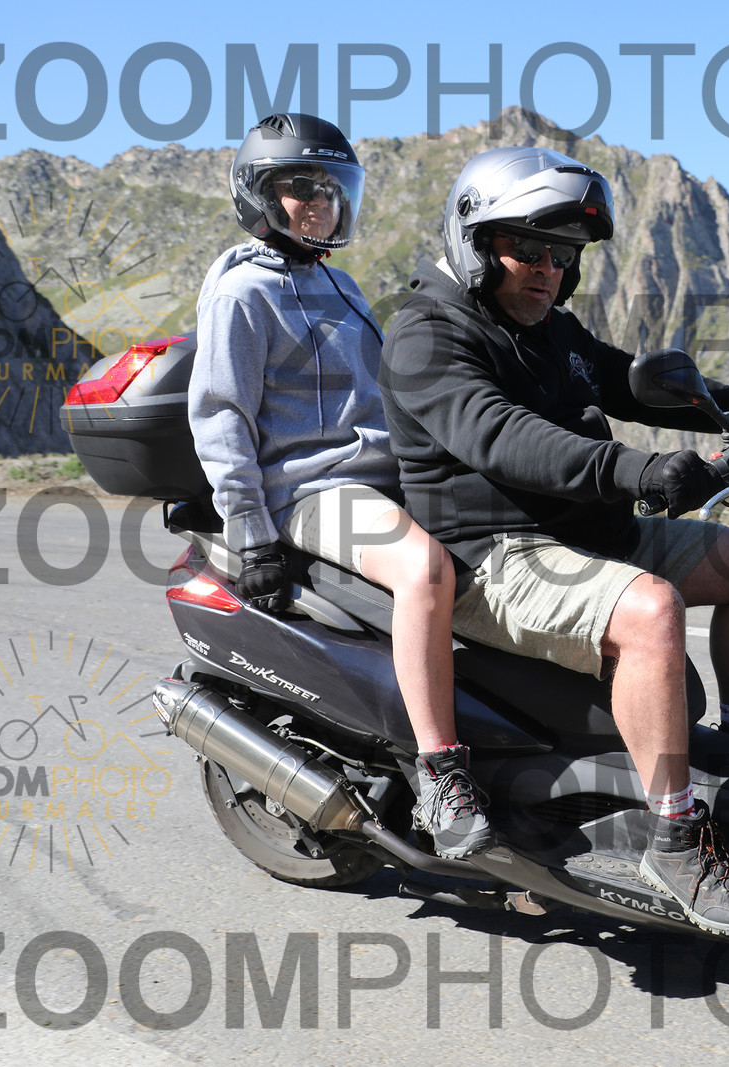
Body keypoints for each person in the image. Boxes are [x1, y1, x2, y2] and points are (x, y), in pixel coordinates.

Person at [379, 146, 729, 935]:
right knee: (651, 610)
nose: (548, 271)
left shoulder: (551, 328)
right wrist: (638, 470)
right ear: (475, 241)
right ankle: (675, 840)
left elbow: (634, 382)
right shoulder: (427, 334)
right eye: (528, 250)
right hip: (496, 554)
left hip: (587, 532)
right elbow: (503, 436)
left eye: (563, 256)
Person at [187, 112, 492, 859]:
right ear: (260, 196)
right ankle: (441, 773)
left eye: (330, 189)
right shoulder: (241, 294)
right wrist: (252, 535)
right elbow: (220, 418)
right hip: (311, 490)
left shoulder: (339, 282)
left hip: (384, 475)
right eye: (302, 189)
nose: (320, 203)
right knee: (424, 571)